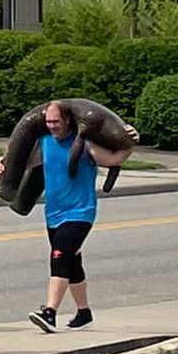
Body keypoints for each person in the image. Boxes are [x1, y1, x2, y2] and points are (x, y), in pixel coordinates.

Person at [28, 100, 136, 333]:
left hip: (80, 212)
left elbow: (114, 158)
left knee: (60, 256)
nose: (52, 126)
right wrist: (3, 163)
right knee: (72, 263)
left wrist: (130, 143)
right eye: (48, 122)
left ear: (68, 120)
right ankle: (84, 312)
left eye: (56, 121)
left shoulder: (86, 144)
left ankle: (50, 312)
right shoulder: (44, 143)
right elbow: (26, 163)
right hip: (53, 213)